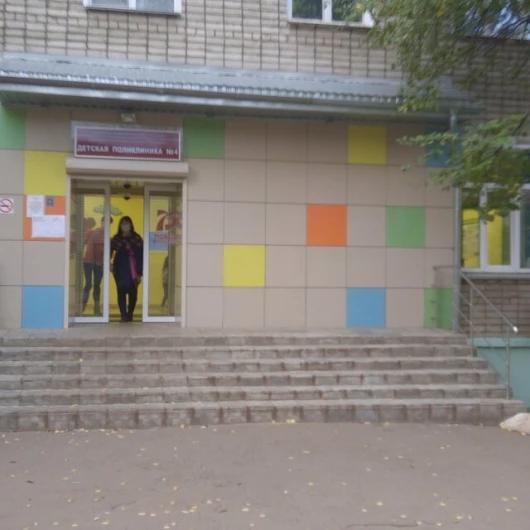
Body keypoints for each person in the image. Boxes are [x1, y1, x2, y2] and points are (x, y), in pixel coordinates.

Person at [111, 216, 143, 322]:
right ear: (120, 225)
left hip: (134, 270)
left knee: (133, 293)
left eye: (127, 223)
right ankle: (123, 315)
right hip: (120, 269)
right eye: (123, 224)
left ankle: (130, 314)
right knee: (121, 292)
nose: (125, 226)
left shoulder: (137, 238)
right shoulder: (116, 239)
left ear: (131, 225)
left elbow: (142, 255)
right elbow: (109, 253)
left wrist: (140, 272)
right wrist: (110, 264)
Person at [82, 217, 103, 315]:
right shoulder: (93, 232)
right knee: (92, 284)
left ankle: (91, 307)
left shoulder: (96, 233)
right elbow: (83, 243)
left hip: (94, 261)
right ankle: (84, 307)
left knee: (92, 284)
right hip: (91, 261)